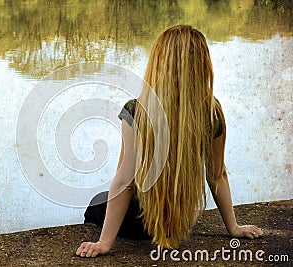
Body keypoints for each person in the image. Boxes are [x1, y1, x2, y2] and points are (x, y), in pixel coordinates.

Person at [76, 25, 263, 258]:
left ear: (158, 63)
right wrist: (233, 228)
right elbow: (217, 176)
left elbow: (126, 182)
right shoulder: (211, 112)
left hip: (140, 222)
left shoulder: (138, 110)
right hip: (183, 224)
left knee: (96, 203)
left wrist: (103, 243)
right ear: (202, 64)